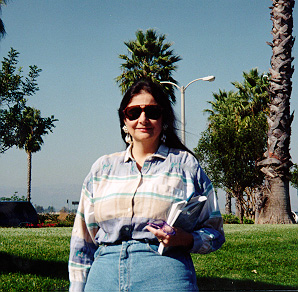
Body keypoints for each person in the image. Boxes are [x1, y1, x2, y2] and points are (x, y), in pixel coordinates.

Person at [68, 79, 225, 291]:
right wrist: (77, 287)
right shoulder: (102, 168)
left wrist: (184, 239)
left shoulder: (186, 165)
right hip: (104, 276)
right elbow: (82, 240)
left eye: (152, 111)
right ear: (124, 119)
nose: (143, 119)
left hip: (165, 274)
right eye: (133, 112)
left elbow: (214, 232)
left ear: (164, 118)